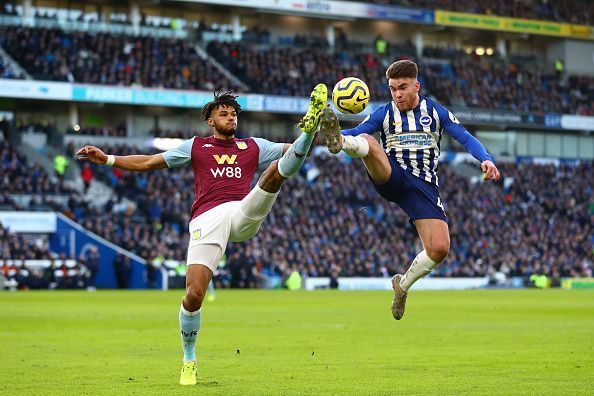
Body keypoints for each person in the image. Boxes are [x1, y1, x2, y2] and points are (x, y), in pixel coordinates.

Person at [75, 85, 328, 385]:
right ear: (210, 120)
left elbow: (299, 153)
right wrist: (108, 160)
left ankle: (310, 123)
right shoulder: (195, 147)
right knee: (194, 295)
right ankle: (189, 358)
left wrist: (309, 134)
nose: (231, 117)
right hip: (207, 220)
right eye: (224, 113)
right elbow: (149, 162)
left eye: (234, 113)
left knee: (276, 172)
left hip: (241, 210)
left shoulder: (253, 146)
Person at [319, 60, 500, 320]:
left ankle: (402, 286)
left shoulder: (436, 112)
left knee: (439, 248)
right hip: (392, 175)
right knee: (368, 141)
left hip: (422, 187)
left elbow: (464, 136)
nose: (397, 94)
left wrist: (485, 158)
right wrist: (335, 136)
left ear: (417, 86)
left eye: (402, 88)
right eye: (392, 89)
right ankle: (340, 142)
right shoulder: (384, 113)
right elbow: (359, 131)